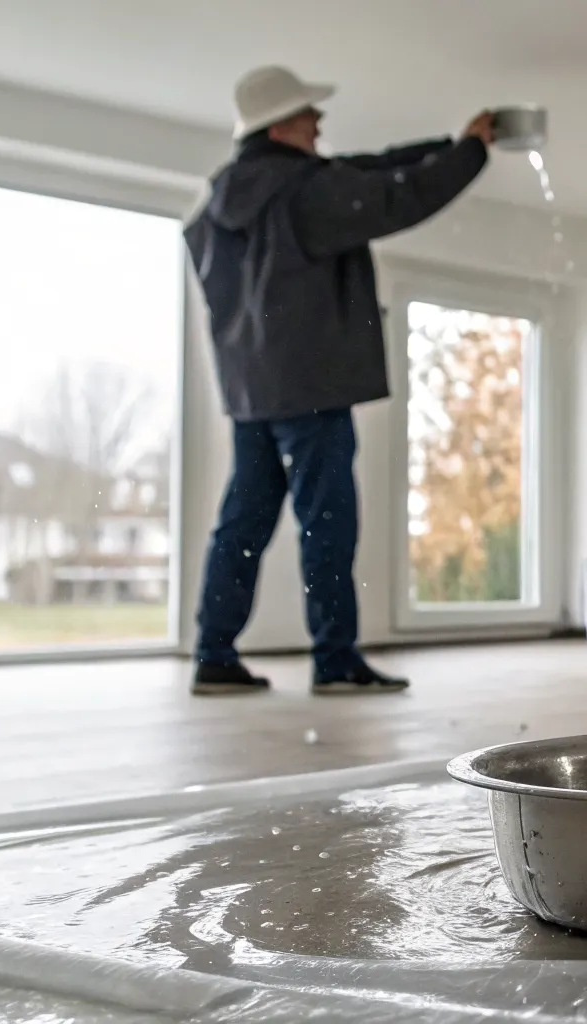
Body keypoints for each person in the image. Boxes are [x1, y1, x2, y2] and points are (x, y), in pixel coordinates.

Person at [182, 65, 496, 695]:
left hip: (252, 387)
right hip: (311, 381)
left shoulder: (222, 201)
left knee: (243, 520)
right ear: (282, 125)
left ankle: (213, 654)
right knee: (327, 517)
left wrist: (450, 143)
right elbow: (396, 197)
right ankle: (335, 661)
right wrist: (473, 155)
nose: (319, 122)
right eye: (309, 114)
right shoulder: (303, 192)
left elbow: (369, 168)